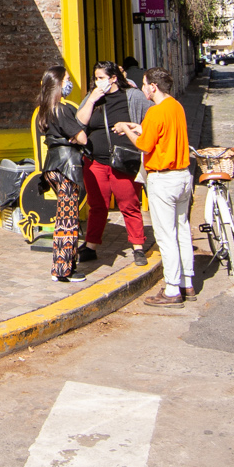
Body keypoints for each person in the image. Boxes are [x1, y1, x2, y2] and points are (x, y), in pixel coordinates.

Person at [115, 68, 193, 306]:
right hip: (183, 176)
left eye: (145, 84)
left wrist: (127, 130)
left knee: (165, 235)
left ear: (153, 87)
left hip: (163, 178)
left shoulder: (154, 112)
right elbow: (157, 132)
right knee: (182, 229)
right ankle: (187, 282)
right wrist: (132, 125)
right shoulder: (176, 107)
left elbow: (144, 145)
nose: (143, 87)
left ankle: (171, 289)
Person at [76, 61, 148, 267]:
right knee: (97, 205)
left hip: (123, 161)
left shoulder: (132, 96)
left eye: (101, 78)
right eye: (95, 78)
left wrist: (134, 129)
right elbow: (79, 122)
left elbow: (150, 119)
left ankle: (138, 247)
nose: (97, 82)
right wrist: (91, 100)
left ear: (113, 78)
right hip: (95, 161)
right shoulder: (93, 98)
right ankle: (91, 246)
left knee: (129, 204)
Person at [33, 65, 89, 284]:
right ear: (57, 84)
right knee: (68, 218)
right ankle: (63, 269)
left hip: (52, 167)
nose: (69, 83)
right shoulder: (61, 109)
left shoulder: (44, 110)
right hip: (67, 167)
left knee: (64, 215)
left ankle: (61, 265)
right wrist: (76, 137)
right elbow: (82, 137)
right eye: (66, 79)